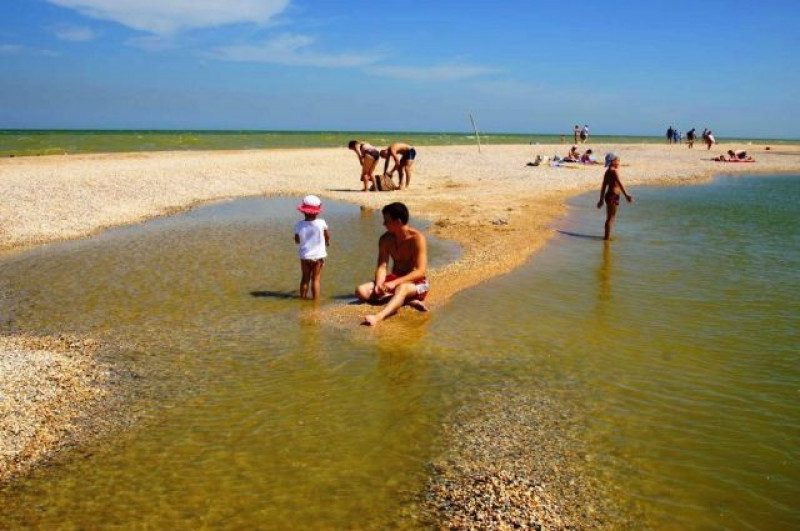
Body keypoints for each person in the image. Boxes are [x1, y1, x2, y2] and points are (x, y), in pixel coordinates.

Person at [356, 202, 429, 326]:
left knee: (402, 288)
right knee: (361, 291)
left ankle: (379, 317)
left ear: (398, 221)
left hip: (417, 283)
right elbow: (382, 266)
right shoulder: (385, 239)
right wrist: (379, 283)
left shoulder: (417, 238)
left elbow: (421, 271)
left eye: (387, 221)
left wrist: (395, 283)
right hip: (394, 280)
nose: (383, 224)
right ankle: (406, 301)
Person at [294, 195, 330, 300]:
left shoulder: (299, 225)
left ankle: (303, 300)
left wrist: (298, 239)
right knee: (316, 279)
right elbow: (327, 236)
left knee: (305, 278)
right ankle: (316, 303)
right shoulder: (321, 223)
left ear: (303, 211)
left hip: (305, 256)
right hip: (318, 257)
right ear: (317, 211)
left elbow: (297, 240)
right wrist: (327, 241)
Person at [597, 154, 633, 241]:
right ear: (613, 162)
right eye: (618, 161)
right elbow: (620, 184)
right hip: (613, 196)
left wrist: (601, 199)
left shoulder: (607, 172)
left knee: (610, 217)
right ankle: (606, 239)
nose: (619, 163)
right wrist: (626, 195)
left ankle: (606, 237)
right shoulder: (614, 172)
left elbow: (603, 187)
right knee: (611, 218)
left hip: (608, 195)